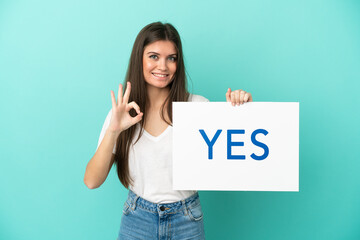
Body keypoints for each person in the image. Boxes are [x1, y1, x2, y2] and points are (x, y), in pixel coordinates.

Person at [84, 22, 253, 240]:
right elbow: (91, 181)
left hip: (187, 219)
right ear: (140, 59)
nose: (163, 66)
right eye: (154, 56)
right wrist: (114, 130)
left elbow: (239, 150)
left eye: (171, 58)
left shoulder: (197, 107)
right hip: (137, 219)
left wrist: (244, 108)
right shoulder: (122, 113)